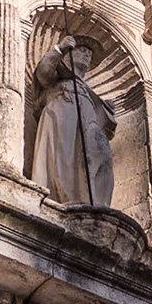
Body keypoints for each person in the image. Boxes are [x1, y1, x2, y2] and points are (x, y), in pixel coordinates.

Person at [29, 35, 116, 207]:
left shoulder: (87, 90)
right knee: (64, 158)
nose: (86, 55)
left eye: (89, 54)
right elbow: (43, 74)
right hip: (62, 113)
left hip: (87, 123)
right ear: (69, 54)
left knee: (102, 153)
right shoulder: (59, 75)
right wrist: (59, 49)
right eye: (82, 51)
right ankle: (64, 199)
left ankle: (96, 203)